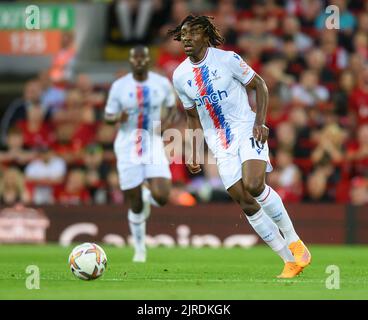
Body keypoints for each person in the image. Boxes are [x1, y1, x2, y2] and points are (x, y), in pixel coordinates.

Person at [169, 15, 311, 278]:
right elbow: (191, 115)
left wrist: (260, 122)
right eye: (184, 34)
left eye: (193, 34)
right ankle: (288, 260)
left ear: (205, 36)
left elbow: (260, 85)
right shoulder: (180, 76)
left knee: (255, 185)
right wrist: (193, 149)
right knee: (244, 200)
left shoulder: (228, 59)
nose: (187, 39)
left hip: (246, 129)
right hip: (218, 144)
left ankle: (294, 240)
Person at [104, 45, 176, 263]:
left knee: (162, 197)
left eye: (142, 58)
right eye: (135, 59)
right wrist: (118, 118)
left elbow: (172, 107)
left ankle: (149, 196)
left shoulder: (161, 83)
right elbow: (108, 116)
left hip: (152, 141)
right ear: (130, 61)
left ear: (148, 60)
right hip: (127, 144)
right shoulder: (119, 86)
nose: (139, 62)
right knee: (134, 202)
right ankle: (140, 249)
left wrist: (166, 123)